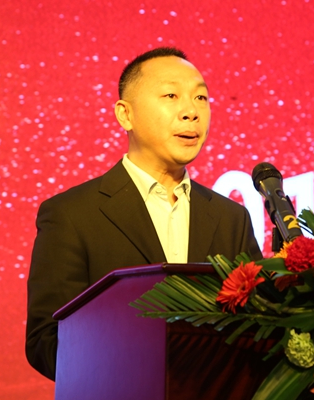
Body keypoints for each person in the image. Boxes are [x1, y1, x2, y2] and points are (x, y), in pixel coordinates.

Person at [25, 47, 261, 381]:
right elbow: (47, 341)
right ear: (125, 115)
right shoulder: (72, 214)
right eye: (171, 95)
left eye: (201, 98)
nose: (191, 112)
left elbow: (258, 326)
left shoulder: (231, 218)